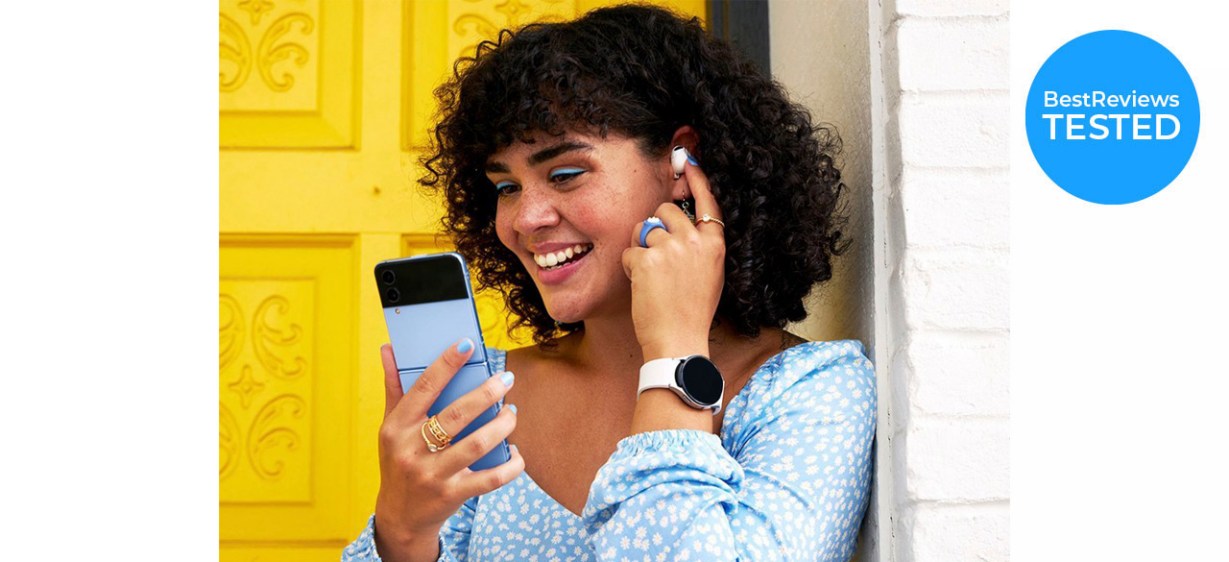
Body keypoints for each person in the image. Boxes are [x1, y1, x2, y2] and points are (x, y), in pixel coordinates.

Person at [342, 4, 876, 561]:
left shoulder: (809, 393)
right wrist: (402, 536)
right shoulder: (486, 400)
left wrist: (673, 357)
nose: (524, 220)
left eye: (565, 174)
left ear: (679, 162)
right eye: (505, 187)